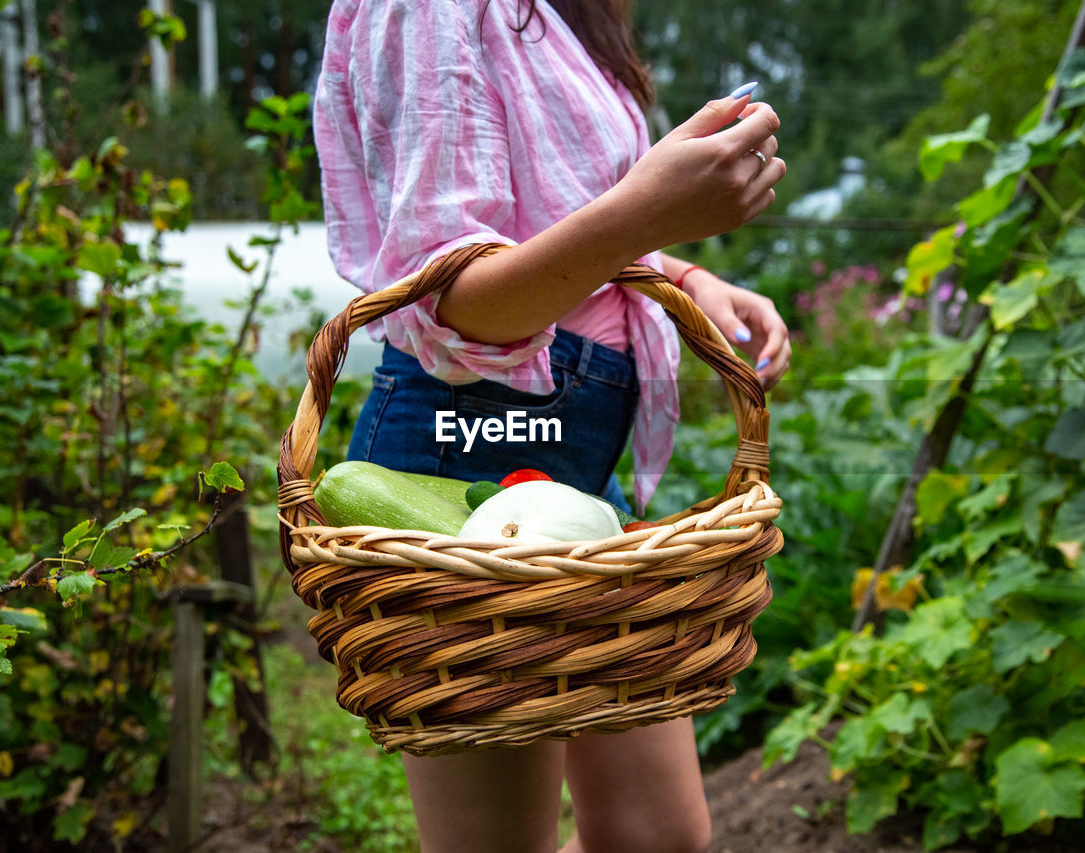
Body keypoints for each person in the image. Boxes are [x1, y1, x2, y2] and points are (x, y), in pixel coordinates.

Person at [313, 1, 791, 850]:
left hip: (564, 461)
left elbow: (559, 216)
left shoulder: (562, 14)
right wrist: (650, 214)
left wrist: (681, 269)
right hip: (463, 451)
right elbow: (457, 296)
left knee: (657, 833)